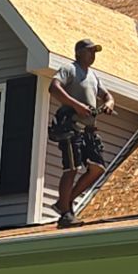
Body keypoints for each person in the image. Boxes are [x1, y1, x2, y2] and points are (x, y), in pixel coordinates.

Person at [49, 36, 115, 226]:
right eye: (89, 51)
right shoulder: (69, 69)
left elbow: (106, 95)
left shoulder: (93, 76)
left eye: (95, 51)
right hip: (71, 127)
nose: (93, 54)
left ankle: (64, 202)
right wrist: (76, 106)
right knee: (72, 168)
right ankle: (65, 214)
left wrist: (109, 102)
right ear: (78, 52)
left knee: (97, 168)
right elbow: (54, 88)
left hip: (88, 131)